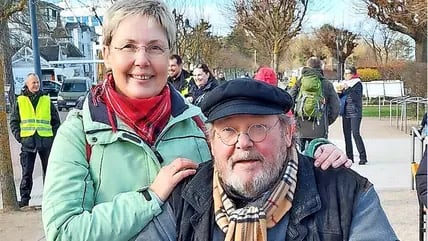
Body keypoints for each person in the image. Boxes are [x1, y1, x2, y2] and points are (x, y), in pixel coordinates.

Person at [137, 78, 398, 241]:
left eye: (258, 128)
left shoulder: (348, 193)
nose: (243, 143)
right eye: (228, 130)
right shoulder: (184, 197)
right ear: (211, 143)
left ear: (287, 133)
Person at [9, 73, 61, 207]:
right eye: (34, 83)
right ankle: (25, 200)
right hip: (28, 142)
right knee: (27, 173)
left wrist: (52, 137)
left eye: (37, 82)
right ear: (27, 84)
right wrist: (20, 138)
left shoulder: (46, 100)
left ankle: (50, 199)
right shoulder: (20, 101)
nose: (36, 85)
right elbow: (14, 122)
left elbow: (56, 122)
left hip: (45, 142)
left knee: (49, 172)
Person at [288, 57, 340, 151]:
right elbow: (336, 107)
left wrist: (295, 116)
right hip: (319, 126)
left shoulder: (299, 82)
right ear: (321, 67)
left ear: (307, 66)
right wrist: (327, 121)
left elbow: (289, 99)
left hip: (301, 125)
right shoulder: (326, 84)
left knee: (301, 155)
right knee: (319, 155)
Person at [339, 66, 368, 165]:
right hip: (345, 112)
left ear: (353, 74)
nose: (346, 76)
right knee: (347, 135)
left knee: (355, 133)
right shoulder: (343, 84)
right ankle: (349, 157)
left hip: (355, 111)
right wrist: (339, 91)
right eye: (345, 74)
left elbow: (356, 97)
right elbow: (340, 97)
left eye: (348, 73)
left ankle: (363, 157)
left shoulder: (357, 84)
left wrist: (347, 89)